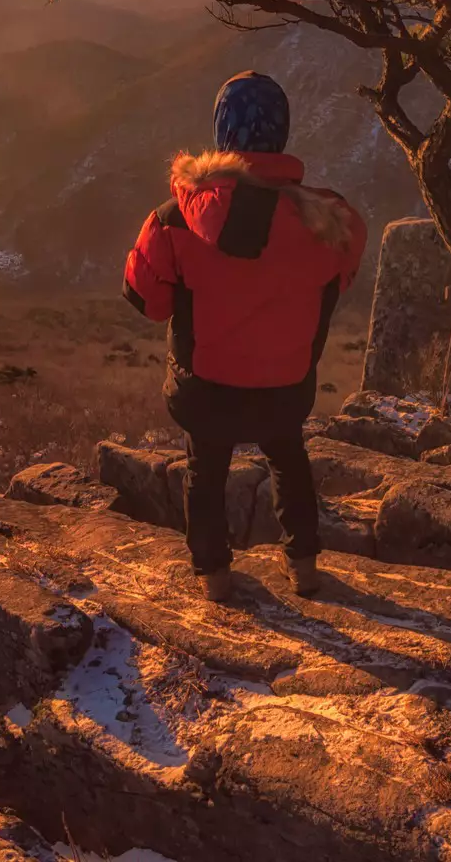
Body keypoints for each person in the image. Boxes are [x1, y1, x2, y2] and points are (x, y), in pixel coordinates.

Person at [122, 71, 366, 603]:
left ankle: (214, 577)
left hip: (206, 388)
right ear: (281, 134)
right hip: (286, 385)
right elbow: (337, 282)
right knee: (288, 457)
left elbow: (146, 302)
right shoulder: (331, 221)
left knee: (204, 472)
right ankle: (304, 566)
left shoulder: (173, 221)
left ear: (222, 131)